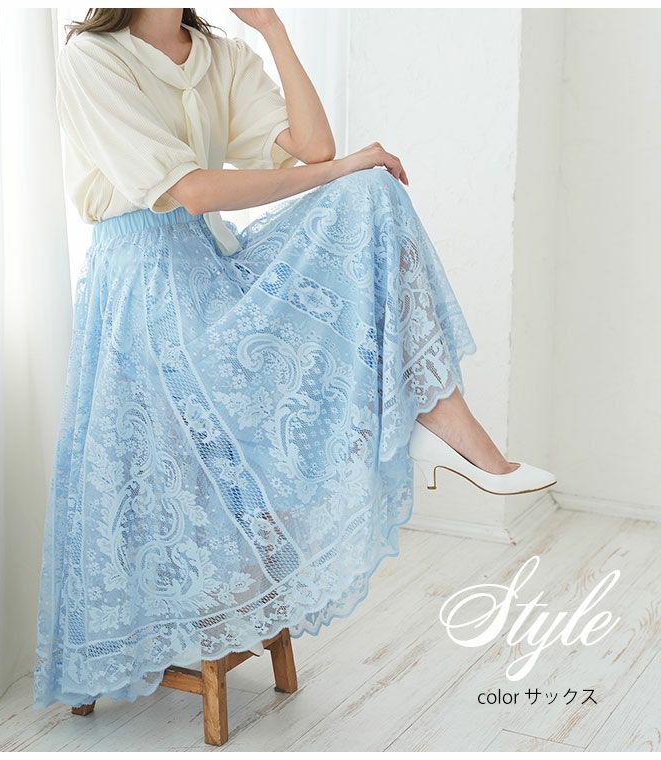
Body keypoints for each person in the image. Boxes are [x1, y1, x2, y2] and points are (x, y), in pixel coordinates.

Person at [33, 7, 556, 710]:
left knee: (369, 191)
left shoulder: (219, 54)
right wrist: (340, 167)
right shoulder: (92, 58)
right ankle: (429, 420)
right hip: (143, 291)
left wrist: (272, 27)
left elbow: (313, 148)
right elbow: (191, 191)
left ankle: (438, 412)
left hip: (210, 268)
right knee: (354, 176)